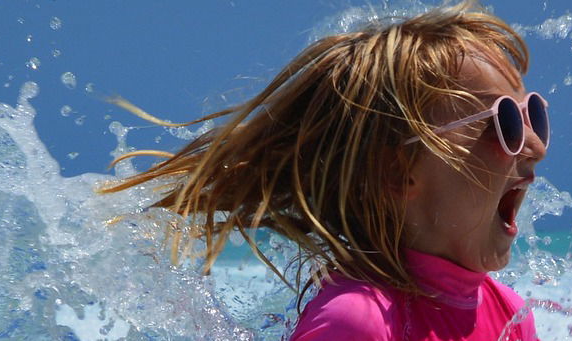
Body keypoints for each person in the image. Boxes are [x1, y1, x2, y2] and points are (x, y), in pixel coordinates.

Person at [100, 1, 547, 339]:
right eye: (503, 124)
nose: (536, 146)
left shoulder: (509, 313)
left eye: (533, 116)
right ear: (398, 172)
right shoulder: (358, 322)